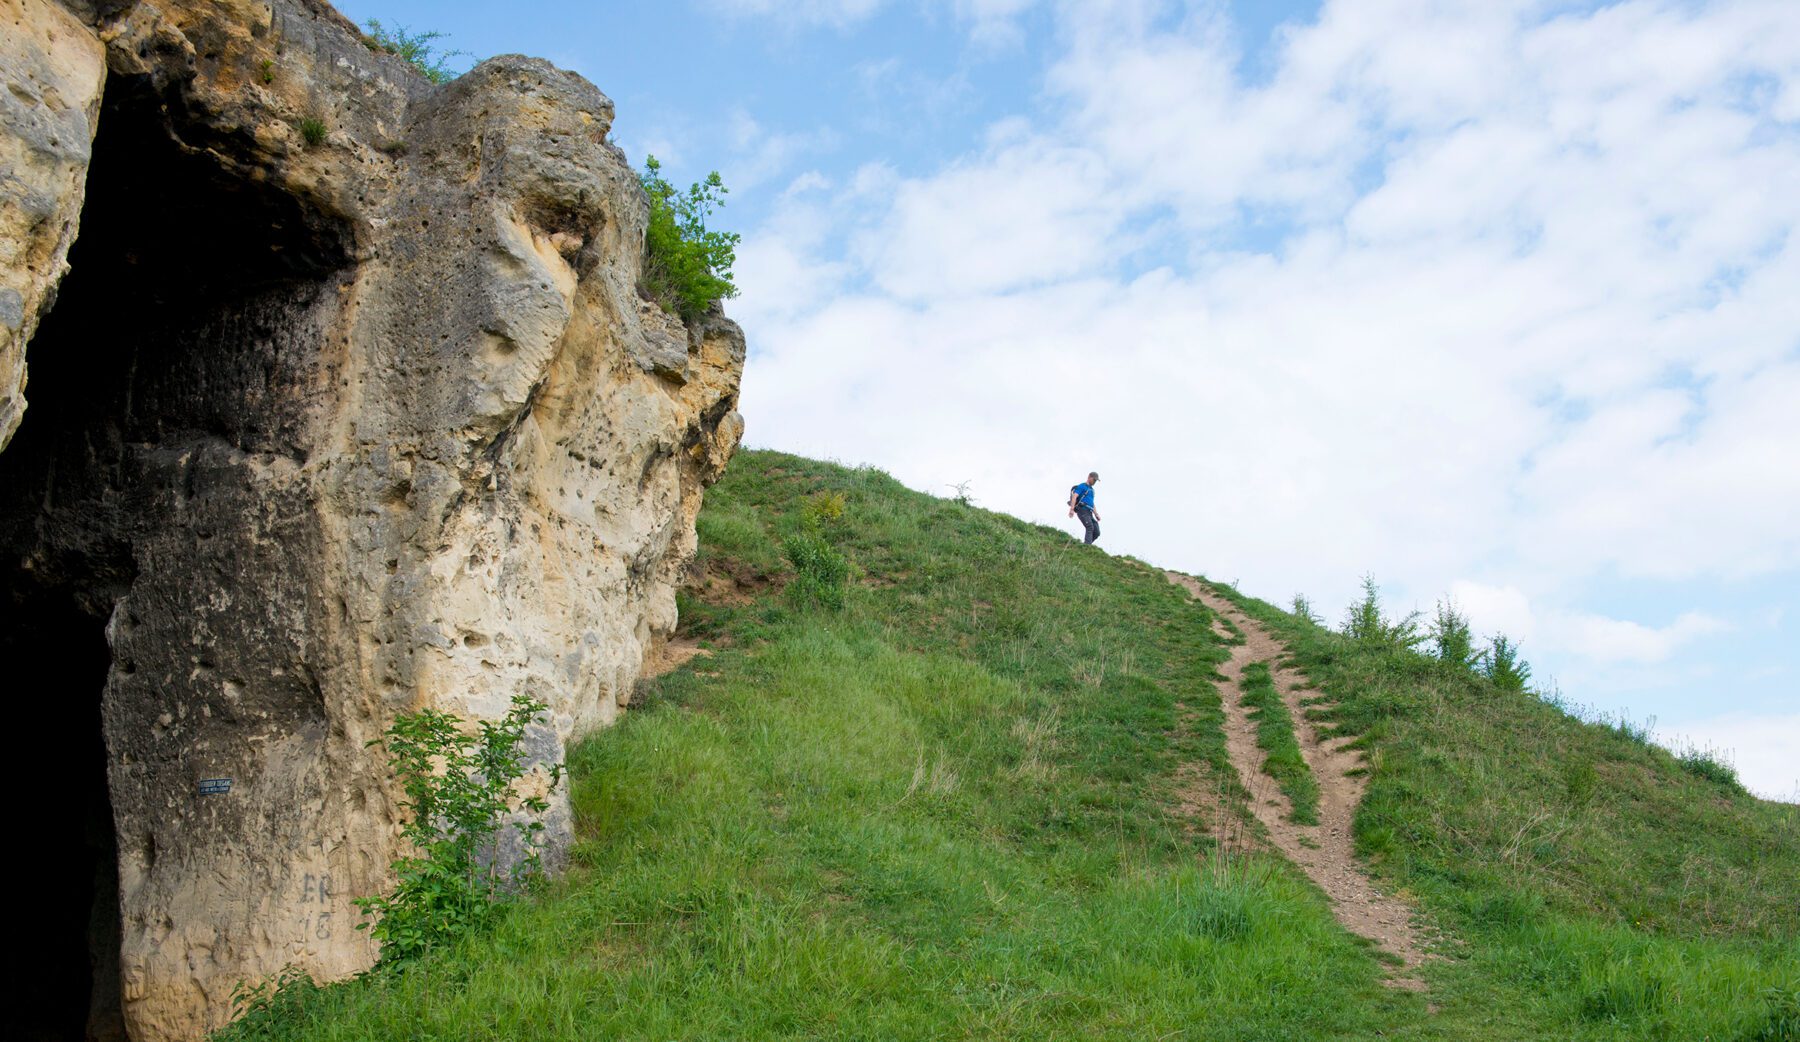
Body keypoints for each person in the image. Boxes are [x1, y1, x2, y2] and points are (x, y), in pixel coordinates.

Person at [1068, 471, 1101, 545]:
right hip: (1082, 510)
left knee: (1097, 532)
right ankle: (1087, 546)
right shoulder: (1082, 486)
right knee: (1090, 527)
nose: (1095, 482)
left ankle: (1085, 546)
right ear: (1089, 477)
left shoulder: (1092, 490)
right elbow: (1074, 496)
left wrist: (1096, 514)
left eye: (1096, 480)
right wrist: (1072, 509)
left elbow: (1092, 503)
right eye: (1094, 479)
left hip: (1089, 512)